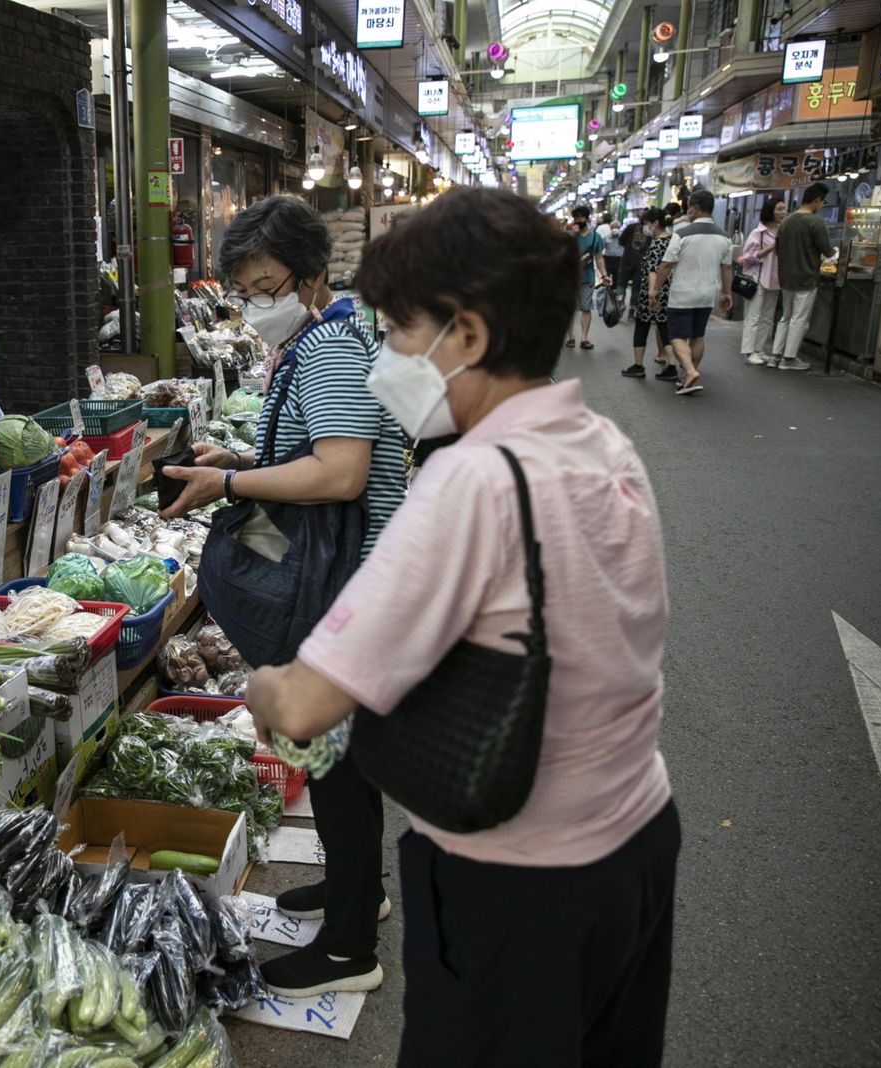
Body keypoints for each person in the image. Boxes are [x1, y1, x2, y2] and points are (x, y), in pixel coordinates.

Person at [246, 186, 677, 1067]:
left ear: (468, 337)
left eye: (403, 335)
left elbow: (302, 708)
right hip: (637, 841)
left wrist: (256, 681)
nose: (387, 361)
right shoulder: (601, 443)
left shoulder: (473, 481)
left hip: (521, 881)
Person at [158, 195, 408, 998]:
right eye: (246, 289)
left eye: (267, 287)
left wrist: (227, 479)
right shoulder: (322, 339)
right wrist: (236, 454)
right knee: (344, 754)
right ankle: (356, 893)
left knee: (329, 754)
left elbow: (341, 472)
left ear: (311, 280)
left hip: (346, 585)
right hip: (347, 575)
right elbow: (317, 450)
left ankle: (346, 951)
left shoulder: (330, 349)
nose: (255, 304)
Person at [654, 190, 732, 396]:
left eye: (689, 207)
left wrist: (655, 289)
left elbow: (666, 265)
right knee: (697, 336)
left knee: (677, 336)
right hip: (706, 296)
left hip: (682, 294)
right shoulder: (724, 237)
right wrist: (727, 293)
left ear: (695, 208)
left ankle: (689, 371)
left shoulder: (682, 233)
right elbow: (727, 268)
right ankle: (687, 377)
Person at [769, 182, 838, 372]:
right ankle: (789, 358)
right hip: (806, 277)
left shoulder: (786, 222)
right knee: (799, 319)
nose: (821, 206)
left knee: (785, 317)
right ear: (816, 200)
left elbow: (777, 249)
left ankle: (775, 356)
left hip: (786, 277)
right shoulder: (815, 222)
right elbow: (827, 250)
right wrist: (836, 255)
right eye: (822, 202)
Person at [622, 209, 673, 380]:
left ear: (655, 223)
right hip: (667, 291)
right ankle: (672, 366)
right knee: (665, 329)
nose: (644, 227)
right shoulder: (671, 240)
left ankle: (638, 366)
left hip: (652, 291)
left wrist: (652, 292)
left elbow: (653, 270)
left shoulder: (657, 243)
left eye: (646, 223)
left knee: (641, 328)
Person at [740, 198, 786, 366]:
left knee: (767, 317)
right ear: (770, 211)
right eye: (779, 209)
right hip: (757, 278)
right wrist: (770, 247)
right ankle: (748, 351)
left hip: (774, 279)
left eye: (783, 209)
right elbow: (748, 258)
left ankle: (759, 349)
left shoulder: (782, 231)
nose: (783, 212)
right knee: (753, 316)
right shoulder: (758, 233)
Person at [565, 205, 609, 351]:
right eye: (576, 217)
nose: (578, 220)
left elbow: (599, 258)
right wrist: (572, 235)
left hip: (587, 278)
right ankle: (571, 337)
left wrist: (604, 275)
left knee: (585, 307)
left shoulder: (596, 237)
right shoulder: (569, 235)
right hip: (570, 278)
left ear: (587, 218)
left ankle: (584, 338)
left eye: (581, 217)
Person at [617, 212, 653, 316]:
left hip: (627, 259)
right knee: (637, 287)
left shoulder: (630, 227)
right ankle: (632, 311)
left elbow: (621, 241)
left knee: (621, 283)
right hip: (641, 262)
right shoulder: (650, 231)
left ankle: (620, 303)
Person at [599, 211, 623, 285]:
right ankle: (615, 292)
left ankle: (607, 292)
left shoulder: (606, 237)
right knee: (617, 278)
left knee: (606, 278)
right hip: (619, 259)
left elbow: (600, 248)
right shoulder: (623, 236)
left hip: (608, 259)